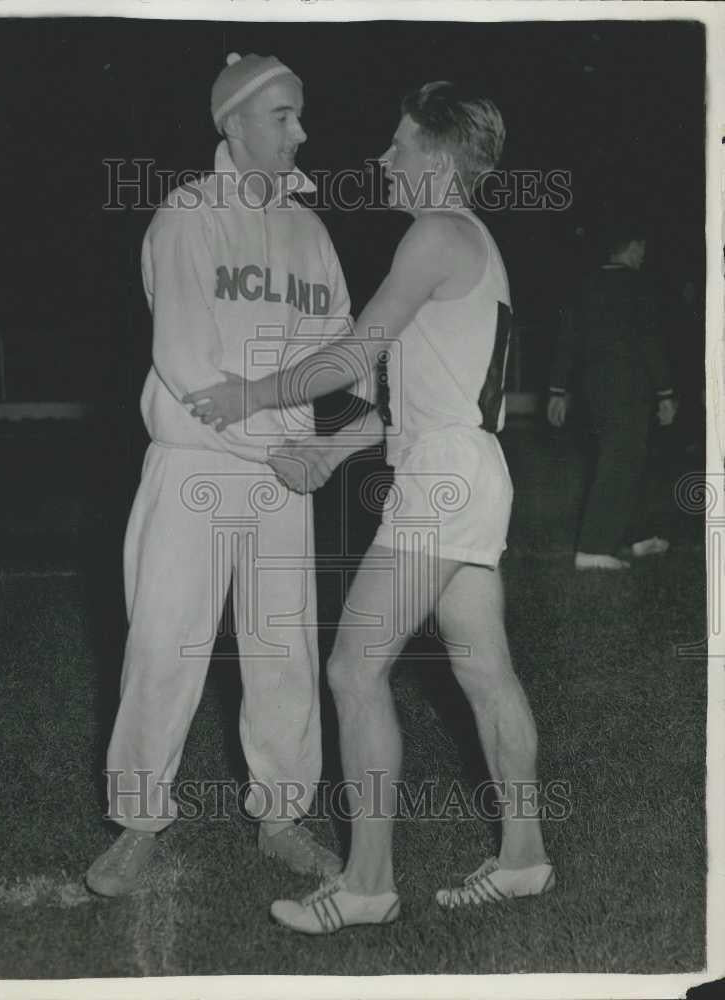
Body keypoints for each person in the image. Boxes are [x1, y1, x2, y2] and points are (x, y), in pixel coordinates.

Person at [187, 82, 554, 932]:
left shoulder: (434, 233)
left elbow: (356, 348)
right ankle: (524, 856)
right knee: (483, 672)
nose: (381, 161)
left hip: (443, 480)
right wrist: (334, 446)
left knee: (355, 669)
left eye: (397, 146)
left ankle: (367, 885)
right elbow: (422, 409)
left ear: (437, 154)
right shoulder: (473, 243)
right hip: (465, 468)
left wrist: (252, 394)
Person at [86, 53, 355, 896]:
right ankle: (138, 822)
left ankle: (282, 817)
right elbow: (185, 363)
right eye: (282, 115)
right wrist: (279, 446)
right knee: (165, 646)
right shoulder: (186, 217)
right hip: (198, 468)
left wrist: (318, 440)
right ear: (232, 123)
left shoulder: (311, 230)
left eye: (300, 114)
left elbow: (343, 346)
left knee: (281, 652)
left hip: (283, 475)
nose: (300, 132)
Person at [547, 220, 678, 570]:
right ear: (632, 247)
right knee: (620, 464)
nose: (644, 255)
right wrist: (666, 393)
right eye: (642, 249)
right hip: (630, 390)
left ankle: (628, 539)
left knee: (623, 461)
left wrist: (557, 391)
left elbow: (568, 340)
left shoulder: (586, 284)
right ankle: (592, 549)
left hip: (594, 390)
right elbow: (650, 342)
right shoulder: (638, 285)